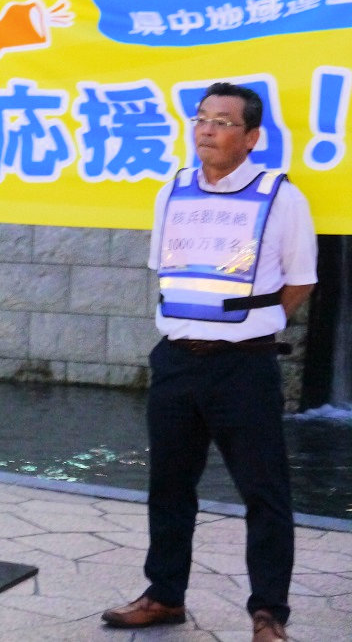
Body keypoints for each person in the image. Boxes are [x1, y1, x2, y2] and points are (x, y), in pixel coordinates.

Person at [101, 83, 317, 642]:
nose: (207, 130)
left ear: (251, 138)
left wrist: (253, 326)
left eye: (223, 121)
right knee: (169, 486)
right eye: (201, 119)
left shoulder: (281, 197)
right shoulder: (171, 190)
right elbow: (164, 268)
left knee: (264, 492)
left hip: (242, 367)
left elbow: (300, 280)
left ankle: (268, 613)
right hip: (175, 361)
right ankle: (164, 595)